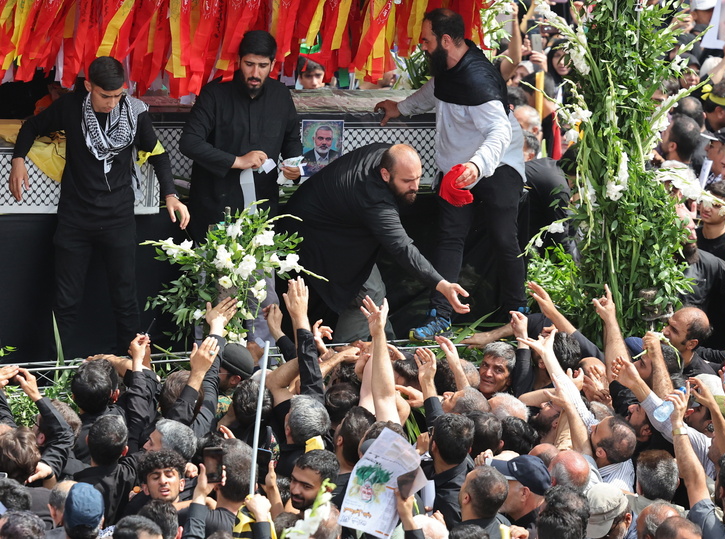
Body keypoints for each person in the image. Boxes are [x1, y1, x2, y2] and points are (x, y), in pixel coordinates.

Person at [8, 56, 189, 353]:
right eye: (106, 96)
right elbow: (32, 127)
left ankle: (132, 373)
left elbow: (159, 154)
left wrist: (170, 195)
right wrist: (18, 160)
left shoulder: (135, 111)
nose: (113, 102)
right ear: (89, 86)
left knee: (126, 300)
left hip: (118, 218)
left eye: (119, 95)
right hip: (75, 220)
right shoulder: (71, 107)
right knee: (65, 303)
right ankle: (55, 375)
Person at [376, 8, 527, 340]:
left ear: (446, 40)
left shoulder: (478, 79)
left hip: (496, 164)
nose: (423, 47)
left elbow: (499, 133)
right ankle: (440, 314)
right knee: (449, 237)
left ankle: (519, 310)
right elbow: (435, 91)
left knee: (504, 237)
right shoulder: (449, 65)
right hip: (458, 168)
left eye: (427, 40)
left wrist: (476, 166)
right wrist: (401, 108)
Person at [179, 30, 302, 344]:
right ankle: (209, 363)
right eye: (249, 64)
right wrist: (236, 160)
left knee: (263, 293)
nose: (255, 73)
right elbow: (189, 142)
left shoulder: (280, 96)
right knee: (215, 292)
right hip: (215, 211)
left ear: (273, 65)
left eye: (263, 66)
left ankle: (263, 367)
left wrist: (294, 169)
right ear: (238, 62)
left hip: (261, 215)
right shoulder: (215, 94)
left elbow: (293, 143)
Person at [283, 143, 469, 341]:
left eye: (418, 178)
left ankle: (387, 348)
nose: (415, 187)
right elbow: (402, 248)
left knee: (375, 290)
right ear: (385, 174)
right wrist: (442, 285)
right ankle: (343, 362)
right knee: (367, 294)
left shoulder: (386, 153)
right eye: (407, 181)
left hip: (331, 221)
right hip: (312, 233)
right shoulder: (375, 197)